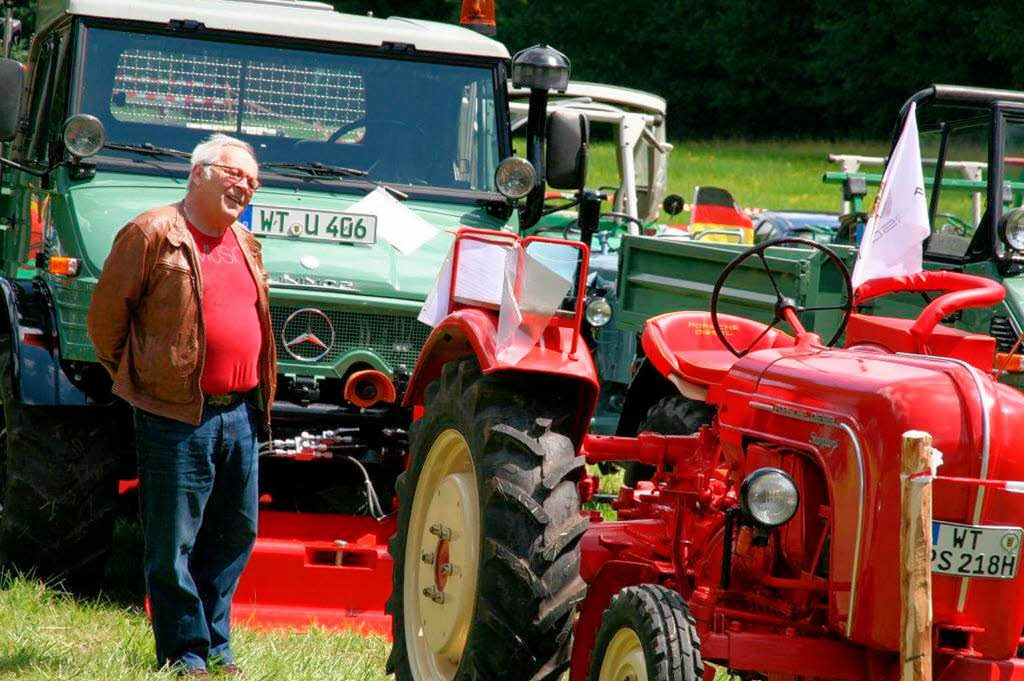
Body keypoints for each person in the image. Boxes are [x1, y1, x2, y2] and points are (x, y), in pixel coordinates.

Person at [87, 133, 277, 678]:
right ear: (199, 173)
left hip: (239, 413)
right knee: (173, 544)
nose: (247, 185)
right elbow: (106, 322)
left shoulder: (245, 241)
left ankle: (218, 647)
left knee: (235, 532)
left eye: (254, 180)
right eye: (236, 173)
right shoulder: (151, 232)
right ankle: (185, 653)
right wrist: (145, 380)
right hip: (173, 415)